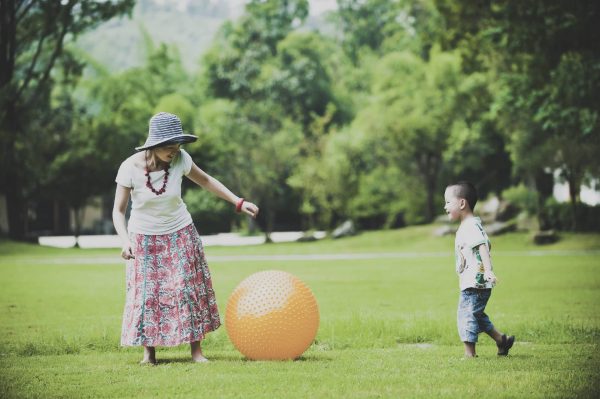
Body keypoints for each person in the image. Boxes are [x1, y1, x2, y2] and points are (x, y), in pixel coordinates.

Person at [112, 112, 259, 365]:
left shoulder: (181, 159)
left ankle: (197, 352)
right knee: (147, 295)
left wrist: (238, 202)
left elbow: (205, 180)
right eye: (169, 147)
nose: (174, 151)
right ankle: (149, 353)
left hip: (180, 232)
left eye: (177, 145)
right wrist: (125, 240)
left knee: (186, 289)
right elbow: (118, 211)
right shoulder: (129, 168)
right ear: (154, 145)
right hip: (144, 239)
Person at [443, 181, 514, 358]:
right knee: (477, 315)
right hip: (473, 282)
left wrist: (488, 270)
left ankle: (470, 354)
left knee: (465, 315)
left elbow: (482, 246)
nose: (445, 207)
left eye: (447, 202)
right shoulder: (469, 225)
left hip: (476, 283)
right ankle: (502, 340)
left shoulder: (470, 226)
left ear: (462, 203)